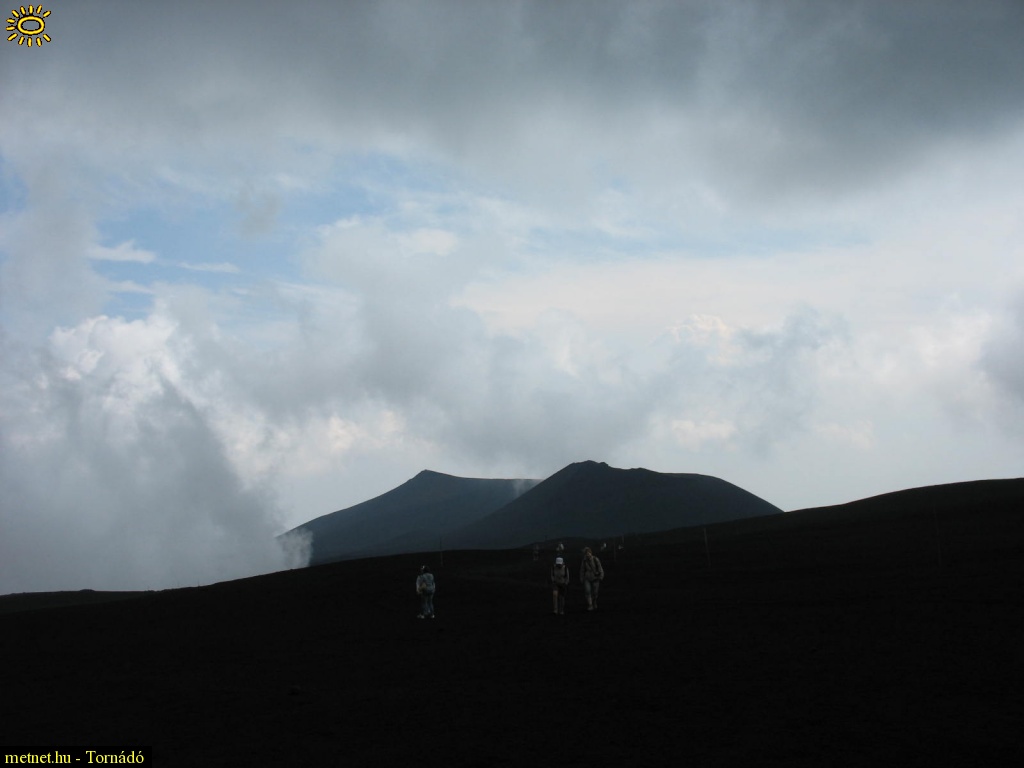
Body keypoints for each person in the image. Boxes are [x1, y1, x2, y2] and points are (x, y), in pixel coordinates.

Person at [579, 547, 604, 611]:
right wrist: (582, 578)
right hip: (587, 578)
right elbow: (582, 570)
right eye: (586, 553)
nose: (587, 554)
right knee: (588, 591)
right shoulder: (584, 561)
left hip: (595, 578)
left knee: (595, 592)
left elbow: (600, 568)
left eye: (588, 553)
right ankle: (590, 605)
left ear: (591, 553)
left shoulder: (595, 559)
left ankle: (594, 601)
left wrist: (601, 576)